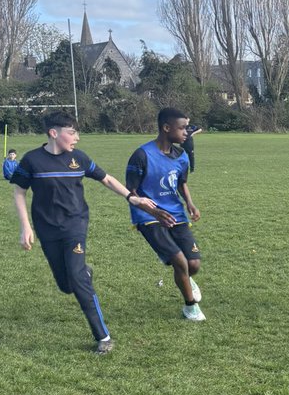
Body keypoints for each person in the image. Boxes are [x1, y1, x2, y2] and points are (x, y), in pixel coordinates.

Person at [10, 112, 164, 354]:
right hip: (46, 228)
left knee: (77, 278)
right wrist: (25, 226)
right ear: (54, 133)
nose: (77, 138)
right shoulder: (32, 161)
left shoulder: (78, 158)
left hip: (75, 225)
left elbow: (107, 179)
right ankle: (85, 272)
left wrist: (132, 198)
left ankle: (103, 336)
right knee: (66, 285)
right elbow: (19, 192)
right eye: (72, 132)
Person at [126, 107, 206, 322]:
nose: (186, 133)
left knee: (193, 264)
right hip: (148, 216)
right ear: (166, 128)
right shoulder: (141, 155)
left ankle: (187, 280)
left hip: (175, 213)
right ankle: (190, 307)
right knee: (179, 261)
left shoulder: (181, 156)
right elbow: (130, 192)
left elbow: (181, 182)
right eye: (182, 128)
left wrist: (190, 203)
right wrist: (153, 210)